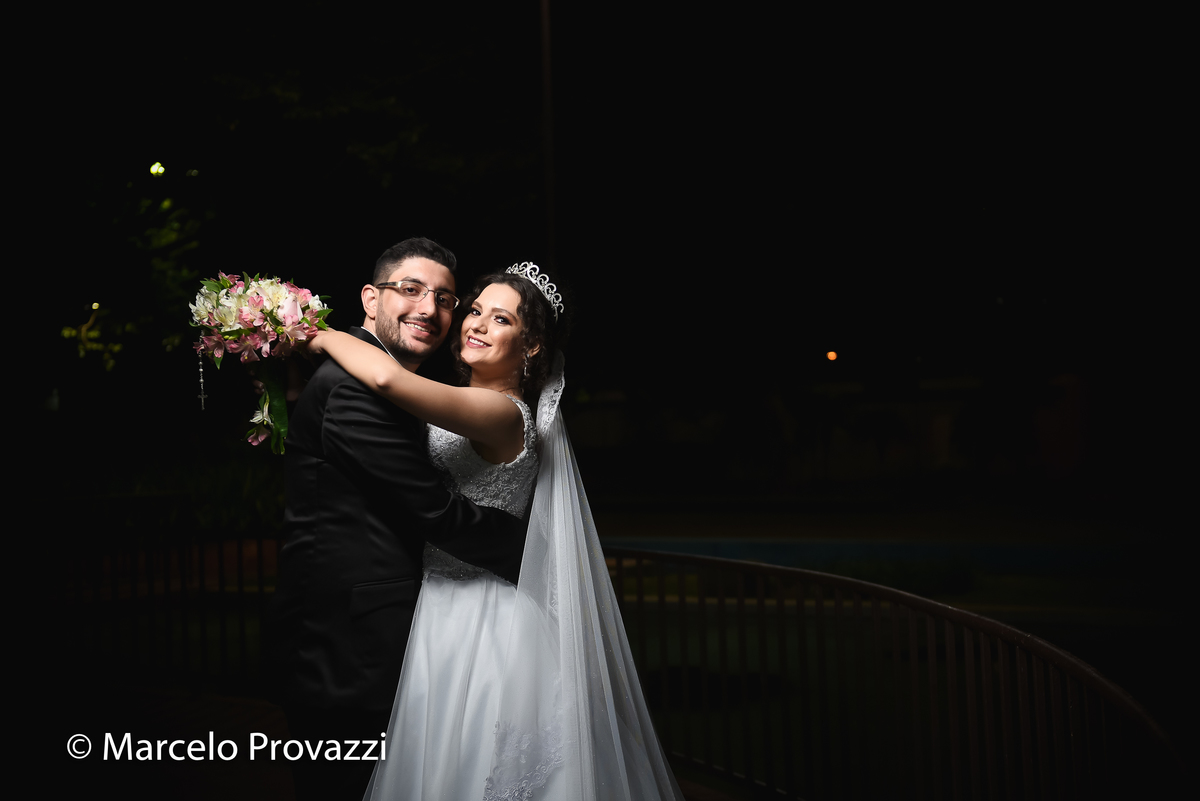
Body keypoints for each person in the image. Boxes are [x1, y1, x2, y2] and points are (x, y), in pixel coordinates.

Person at [306, 262, 684, 800]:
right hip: (441, 598)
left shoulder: (503, 413)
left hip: (481, 611)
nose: (477, 324)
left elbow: (388, 379)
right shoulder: (463, 399)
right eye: (475, 310)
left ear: (532, 346)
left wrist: (314, 334)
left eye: (501, 319)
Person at [266, 238, 528, 801]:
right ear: (370, 299)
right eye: (410, 290)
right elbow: (436, 511)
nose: (429, 309)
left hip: (401, 633)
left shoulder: (387, 383)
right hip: (345, 649)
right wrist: (537, 548)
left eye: (445, 299)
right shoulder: (355, 390)